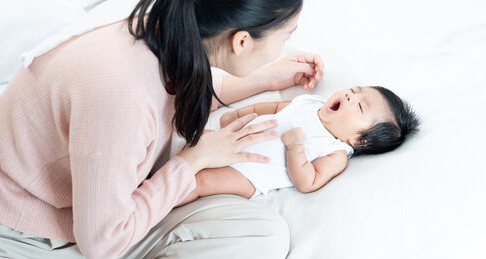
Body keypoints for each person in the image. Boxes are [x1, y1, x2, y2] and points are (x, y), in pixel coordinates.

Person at [0, 0, 325, 259]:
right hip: (25, 237)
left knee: (261, 236)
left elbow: (171, 94)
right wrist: (193, 160)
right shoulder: (120, 95)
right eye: (285, 36)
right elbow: (101, 242)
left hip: (107, 213)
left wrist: (262, 79)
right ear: (241, 41)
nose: (284, 45)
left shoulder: (165, 28)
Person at [176, 86, 420, 204]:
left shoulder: (336, 152)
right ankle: (152, 171)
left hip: (250, 174)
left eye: (359, 106)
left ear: (359, 140)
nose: (349, 96)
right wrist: (242, 115)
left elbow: (308, 182)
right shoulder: (310, 102)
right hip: (233, 140)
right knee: (192, 140)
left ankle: (161, 199)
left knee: (202, 181)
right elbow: (271, 108)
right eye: (355, 90)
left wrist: (295, 148)